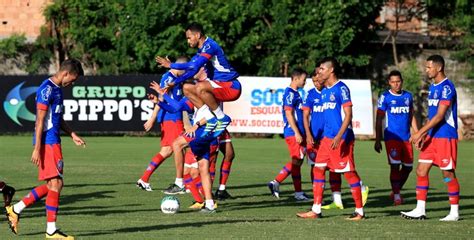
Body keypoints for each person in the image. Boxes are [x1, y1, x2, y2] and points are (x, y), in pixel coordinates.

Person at [6, 59, 85, 239]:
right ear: (65, 73)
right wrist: (37, 148)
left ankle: (16, 209)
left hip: (54, 140)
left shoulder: (58, 89)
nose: (72, 83)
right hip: (47, 142)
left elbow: (57, 118)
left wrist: (72, 134)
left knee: (53, 185)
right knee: (56, 184)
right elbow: (40, 120)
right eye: (72, 80)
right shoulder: (47, 89)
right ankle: (51, 231)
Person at [297, 57, 365, 220]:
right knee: (318, 169)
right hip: (327, 140)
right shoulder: (325, 91)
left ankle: (360, 211)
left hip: (342, 139)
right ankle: (316, 209)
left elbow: (349, 115)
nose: (319, 71)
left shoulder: (341, 89)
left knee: (349, 173)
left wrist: (339, 136)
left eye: (321, 69)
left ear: (331, 70)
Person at [155, 22, 241, 138]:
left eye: (189, 38)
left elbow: (194, 66)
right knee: (187, 88)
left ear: (198, 35)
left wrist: (171, 65)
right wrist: (175, 82)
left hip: (231, 86)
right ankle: (211, 119)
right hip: (219, 87)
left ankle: (221, 118)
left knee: (200, 86)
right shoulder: (201, 52)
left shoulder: (210, 46)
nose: (188, 41)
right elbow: (192, 71)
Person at [401, 55, 460, 221]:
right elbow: (431, 116)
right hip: (432, 137)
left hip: (445, 137)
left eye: (428, 67)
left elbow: (440, 116)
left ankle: (454, 212)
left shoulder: (447, 88)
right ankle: (420, 209)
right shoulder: (433, 88)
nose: (426, 70)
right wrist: (424, 134)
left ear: (438, 68)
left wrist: (419, 132)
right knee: (421, 170)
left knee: (447, 173)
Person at [136, 56, 188, 192]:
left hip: (170, 117)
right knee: (181, 147)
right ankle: (183, 183)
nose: (186, 71)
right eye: (184, 68)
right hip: (172, 118)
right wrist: (152, 118)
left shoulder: (175, 77)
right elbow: (161, 98)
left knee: (167, 151)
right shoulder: (168, 77)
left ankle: (144, 179)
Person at [374, 70, 418, 205]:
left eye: (398, 82)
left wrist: (416, 133)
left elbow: (411, 116)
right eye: (393, 82)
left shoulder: (408, 96)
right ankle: (397, 195)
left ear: (402, 81)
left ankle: (396, 189)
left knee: (408, 167)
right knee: (395, 166)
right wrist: (378, 139)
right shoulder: (385, 97)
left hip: (406, 138)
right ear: (389, 82)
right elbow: (379, 118)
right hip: (392, 137)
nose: (396, 84)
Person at [268, 68, 310, 201]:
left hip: (298, 132)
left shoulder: (296, 93)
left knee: (298, 161)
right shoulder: (290, 93)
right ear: (296, 79)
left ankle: (298, 193)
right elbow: (288, 113)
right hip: (293, 133)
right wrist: (297, 132)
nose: (305, 82)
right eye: (304, 79)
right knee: (296, 159)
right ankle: (276, 182)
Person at [212, 130, 236, 200]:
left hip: (222, 127)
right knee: (212, 159)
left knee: (230, 155)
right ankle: (208, 192)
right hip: (211, 127)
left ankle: (221, 190)